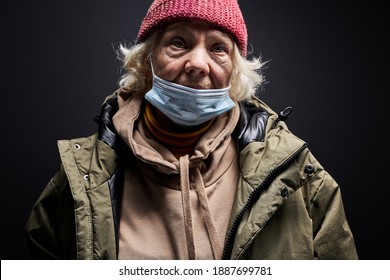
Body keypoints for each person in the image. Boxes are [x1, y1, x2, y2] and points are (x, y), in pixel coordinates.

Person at [24, 0, 358, 260]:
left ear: (235, 72)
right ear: (146, 61)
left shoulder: (301, 178)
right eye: (179, 42)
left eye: (218, 48)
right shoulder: (80, 181)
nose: (198, 64)